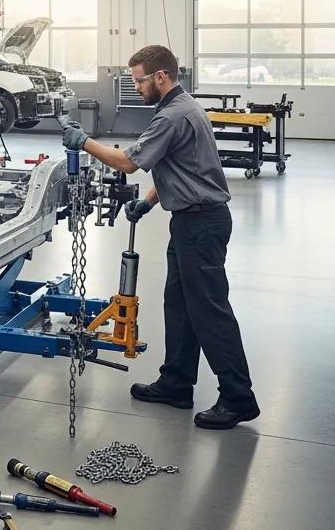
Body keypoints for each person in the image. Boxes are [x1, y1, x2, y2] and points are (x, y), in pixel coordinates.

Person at [59, 44, 258, 431]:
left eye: (139, 80)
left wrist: (82, 141)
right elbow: (183, 167)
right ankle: (176, 384)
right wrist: (150, 202)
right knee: (179, 305)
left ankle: (238, 398)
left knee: (209, 311)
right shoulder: (183, 108)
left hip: (201, 224)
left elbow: (129, 162)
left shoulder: (173, 115)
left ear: (160, 76)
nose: (136, 87)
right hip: (190, 220)